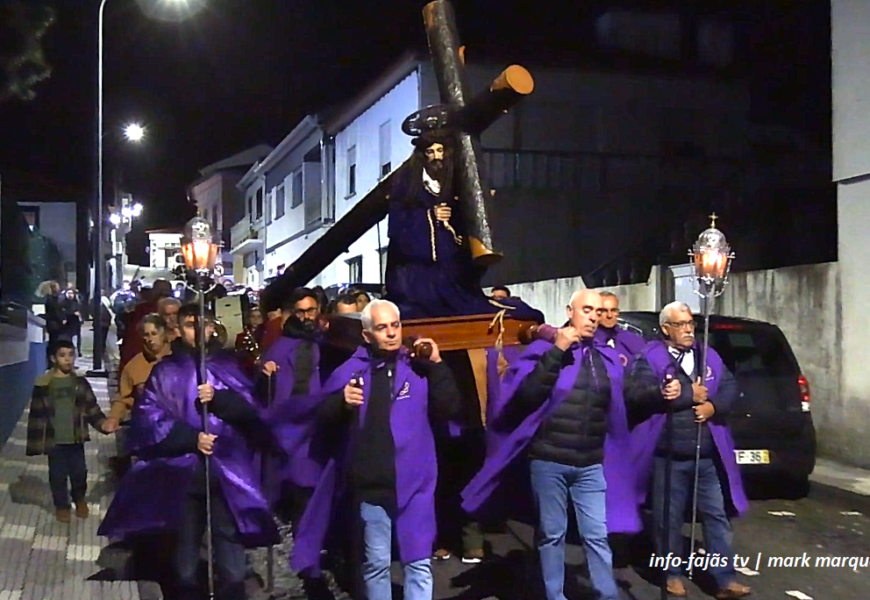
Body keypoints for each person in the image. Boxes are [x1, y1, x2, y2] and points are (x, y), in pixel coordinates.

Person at [463, 290, 641, 600]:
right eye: (587, 309)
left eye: (598, 311)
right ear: (570, 311)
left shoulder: (607, 357)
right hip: (549, 462)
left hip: (590, 465)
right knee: (551, 535)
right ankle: (554, 595)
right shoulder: (545, 350)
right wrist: (556, 351)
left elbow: (630, 398)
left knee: (597, 535)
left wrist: (667, 394)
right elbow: (526, 397)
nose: (594, 316)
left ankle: (606, 595)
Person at [98, 304, 281, 600]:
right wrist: (190, 438)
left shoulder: (229, 366)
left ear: (213, 328)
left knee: (232, 564)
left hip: (226, 473)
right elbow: (149, 420)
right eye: (189, 325)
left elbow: (252, 414)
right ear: (178, 330)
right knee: (184, 563)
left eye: (203, 324)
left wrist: (219, 399)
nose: (197, 331)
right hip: (183, 474)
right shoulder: (165, 372)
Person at [289, 298, 462, 600]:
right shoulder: (351, 372)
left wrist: (437, 365)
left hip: (415, 486)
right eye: (382, 328)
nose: (392, 333)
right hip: (372, 486)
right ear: (368, 335)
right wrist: (342, 403)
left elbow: (449, 407)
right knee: (377, 565)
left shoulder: (418, 368)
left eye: (395, 325)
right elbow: (321, 417)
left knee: (419, 563)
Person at [624, 301, 750, 599]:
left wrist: (713, 406)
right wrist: (674, 395)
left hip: (707, 454)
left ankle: (725, 579)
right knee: (668, 518)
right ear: (666, 328)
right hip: (668, 455)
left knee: (716, 516)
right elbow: (637, 395)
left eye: (690, 323)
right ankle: (671, 573)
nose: (688, 330)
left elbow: (730, 387)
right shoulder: (650, 357)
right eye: (681, 325)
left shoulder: (708, 355)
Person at [384, 130, 542, 322]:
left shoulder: (456, 183)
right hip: (419, 277)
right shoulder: (407, 185)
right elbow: (398, 227)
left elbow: (466, 220)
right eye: (431, 152)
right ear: (423, 156)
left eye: (440, 150)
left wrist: (481, 205)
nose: (436, 157)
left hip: (453, 271)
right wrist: (429, 217)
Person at [26, 340, 113, 523]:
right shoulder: (43, 385)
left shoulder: (80, 383)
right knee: (57, 475)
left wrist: (103, 424)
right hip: (54, 440)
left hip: (75, 438)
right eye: (62, 355)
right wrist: (35, 443)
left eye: (71, 355)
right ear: (53, 358)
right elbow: (36, 415)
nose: (68, 359)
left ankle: (79, 498)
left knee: (79, 472)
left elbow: (92, 408)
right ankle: (61, 505)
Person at [593, 291, 645, 368]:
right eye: (604, 311)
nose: (609, 315)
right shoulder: (588, 341)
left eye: (613, 310)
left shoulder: (632, 340)